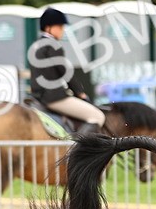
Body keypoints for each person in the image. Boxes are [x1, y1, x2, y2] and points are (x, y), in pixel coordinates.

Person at [28, 7, 107, 136]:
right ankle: (76, 146)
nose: (62, 30)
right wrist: (80, 93)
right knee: (97, 116)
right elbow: (65, 72)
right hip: (54, 97)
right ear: (48, 27)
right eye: (59, 27)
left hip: (38, 96)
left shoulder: (36, 45)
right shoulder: (53, 45)